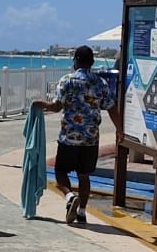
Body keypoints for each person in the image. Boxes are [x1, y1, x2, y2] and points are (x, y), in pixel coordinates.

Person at [33, 45, 116, 224]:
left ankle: (70, 196)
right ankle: (82, 212)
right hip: (91, 138)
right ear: (92, 62)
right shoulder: (101, 83)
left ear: (75, 61)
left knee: (60, 171)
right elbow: (111, 107)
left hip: (69, 136)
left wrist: (42, 105)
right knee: (84, 175)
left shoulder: (67, 81)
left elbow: (56, 106)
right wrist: (120, 130)